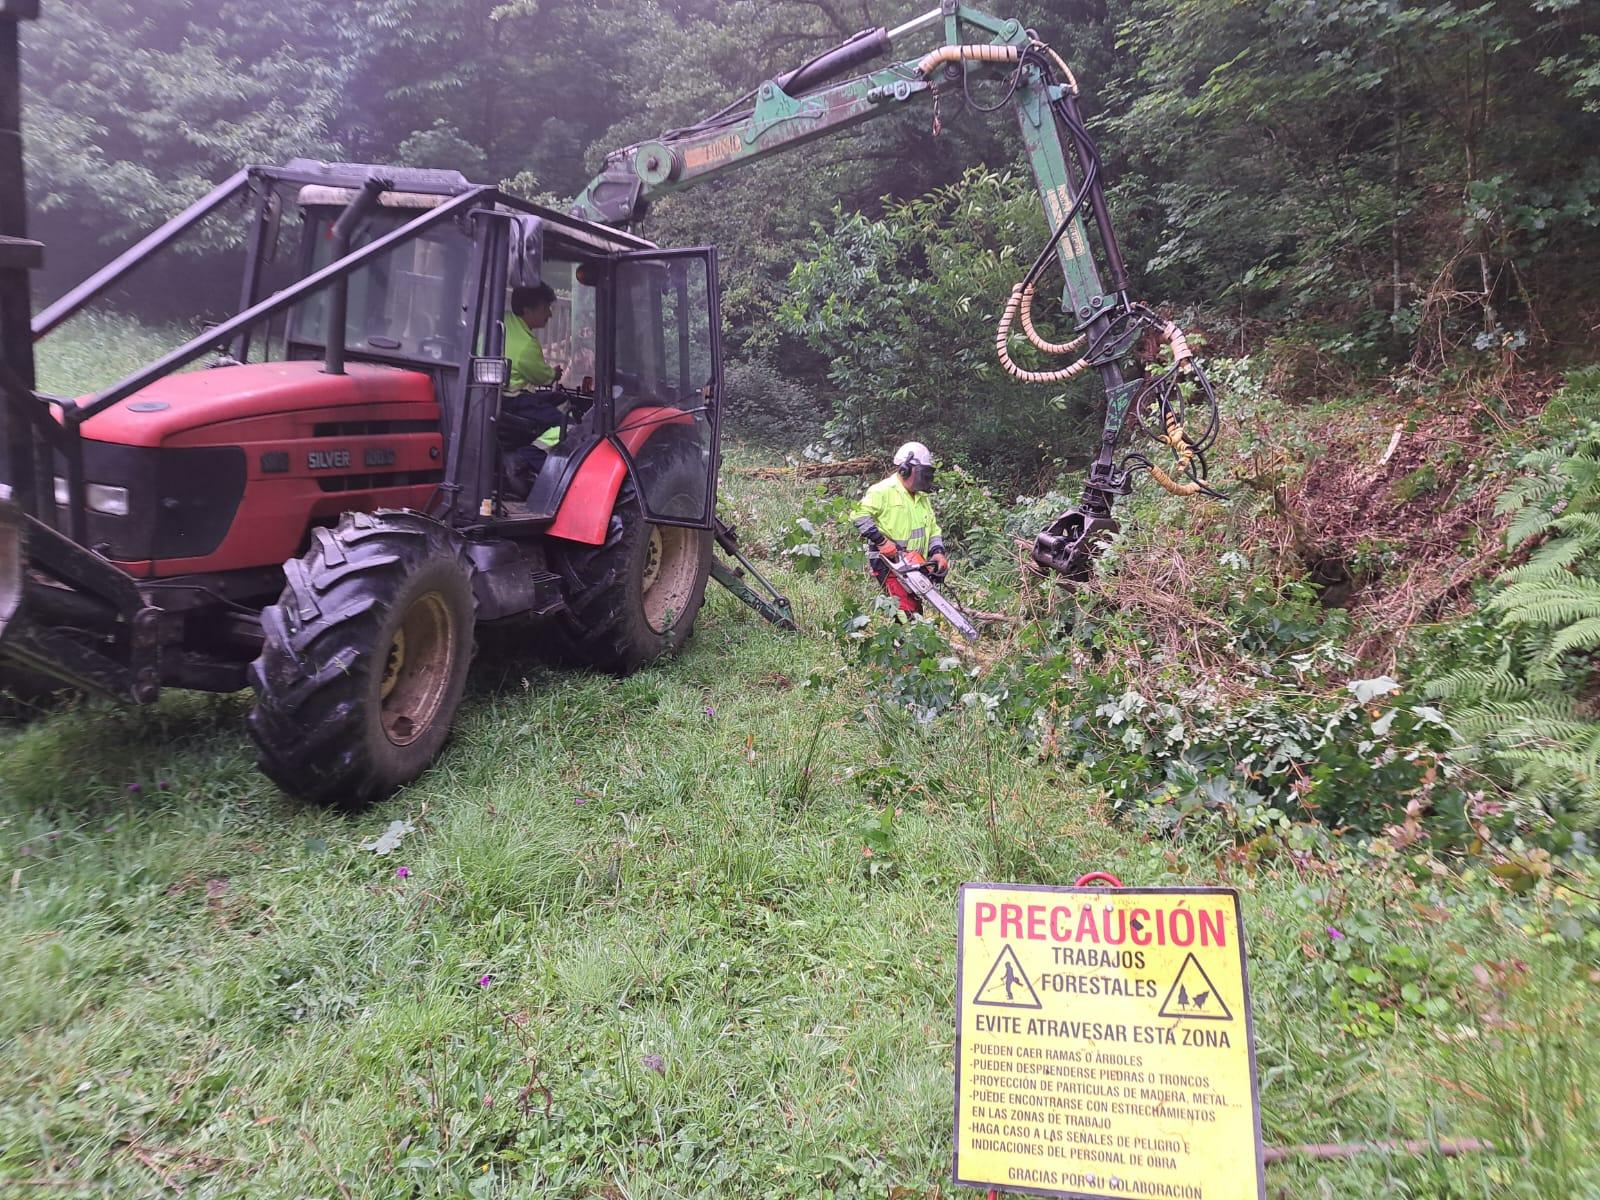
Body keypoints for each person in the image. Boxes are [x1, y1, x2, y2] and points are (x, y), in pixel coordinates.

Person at [850, 441, 949, 614]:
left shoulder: (921, 497)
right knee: (904, 610)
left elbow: (933, 529)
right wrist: (881, 541)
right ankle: (903, 630)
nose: (925, 478)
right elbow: (858, 514)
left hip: (914, 562)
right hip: (889, 562)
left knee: (915, 609)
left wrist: (937, 552)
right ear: (905, 470)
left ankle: (910, 630)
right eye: (922, 473)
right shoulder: (883, 490)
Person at [500, 283, 573, 499]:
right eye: (545, 308)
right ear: (527, 311)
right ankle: (525, 456)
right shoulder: (527, 345)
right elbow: (542, 377)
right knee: (570, 426)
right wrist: (554, 374)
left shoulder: (503, 321)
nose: (549, 314)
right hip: (515, 401)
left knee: (560, 399)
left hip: (497, 396)